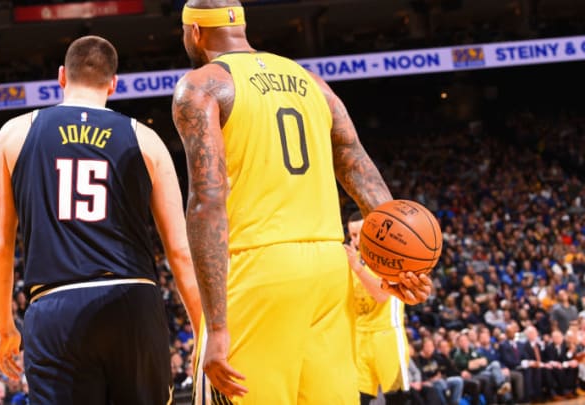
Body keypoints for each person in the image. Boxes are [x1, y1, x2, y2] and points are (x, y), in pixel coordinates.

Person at [172, 1, 432, 402]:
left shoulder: (202, 85)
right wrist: (396, 259)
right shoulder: (312, 81)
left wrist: (217, 327)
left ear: (194, 31)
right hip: (328, 270)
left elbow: (206, 201)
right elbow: (355, 161)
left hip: (259, 269)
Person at [0, 35, 201, 404]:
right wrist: (202, 327)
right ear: (113, 83)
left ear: (61, 77)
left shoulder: (14, 134)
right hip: (132, 300)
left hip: (56, 305)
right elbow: (180, 250)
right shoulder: (146, 139)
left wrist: (5, 326)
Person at [345, 212, 409, 404]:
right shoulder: (351, 260)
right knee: (358, 399)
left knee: (396, 399)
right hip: (359, 337)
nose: (355, 241)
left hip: (387, 335)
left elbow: (381, 295)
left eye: (360, 235)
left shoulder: (390, 257)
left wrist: (357, 268)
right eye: (352, 235)